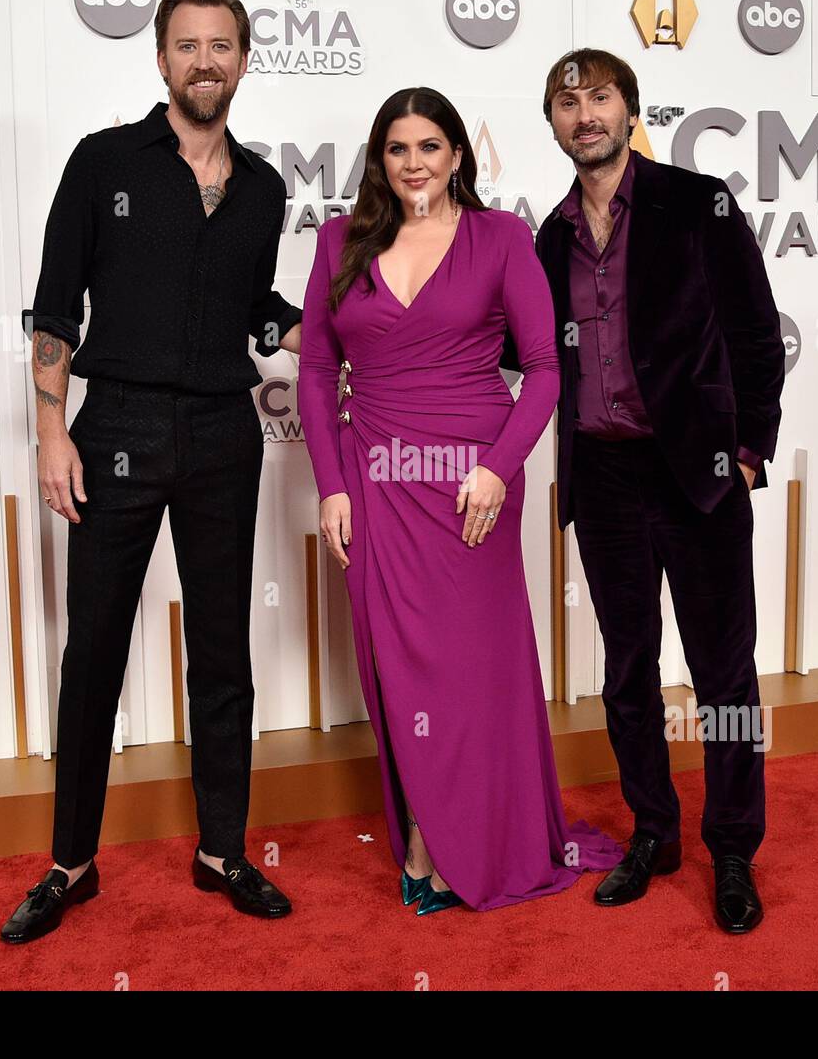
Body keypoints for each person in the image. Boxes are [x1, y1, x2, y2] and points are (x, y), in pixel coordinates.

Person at [1, 0, 300, 944]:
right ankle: (71, 864)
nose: (205, 62)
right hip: (115, 428)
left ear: (244, 61)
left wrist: (331, 331)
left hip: (224, 431)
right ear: (160, 60)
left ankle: (222, 852)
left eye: (223, 46)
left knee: (223, 649)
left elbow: (252, 306)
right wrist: (52, 433)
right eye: (188, 45)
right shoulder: (102, 163)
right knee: (94, 651)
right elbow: (56, 309)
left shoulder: (264, 188)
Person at [298, 86, 624, 915]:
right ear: (380, 160)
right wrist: (331, 484)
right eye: (399, 149)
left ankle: (475, 841)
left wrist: (498, 469)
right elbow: (312, 372)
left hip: (471, 484)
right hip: (374, 480)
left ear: (457, 156)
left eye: (431, 147)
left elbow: (547, 370)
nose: (415, 164)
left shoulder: (500, 237)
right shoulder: (340, 242)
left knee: (472, 673)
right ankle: (421, 837)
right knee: (399, 670)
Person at [515, 49, 785, 933]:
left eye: (600, 98)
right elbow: (520, 353)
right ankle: (654, 832)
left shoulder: (696, 202)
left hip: (699, 476)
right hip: (603, 478)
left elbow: (754, 330)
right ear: (552, 123)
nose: (584, 115)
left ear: (630, 110)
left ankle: (734, 847)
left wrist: (747, 452)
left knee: (725, 675)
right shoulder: (547, 238)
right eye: (568, 103)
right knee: (628, 670)